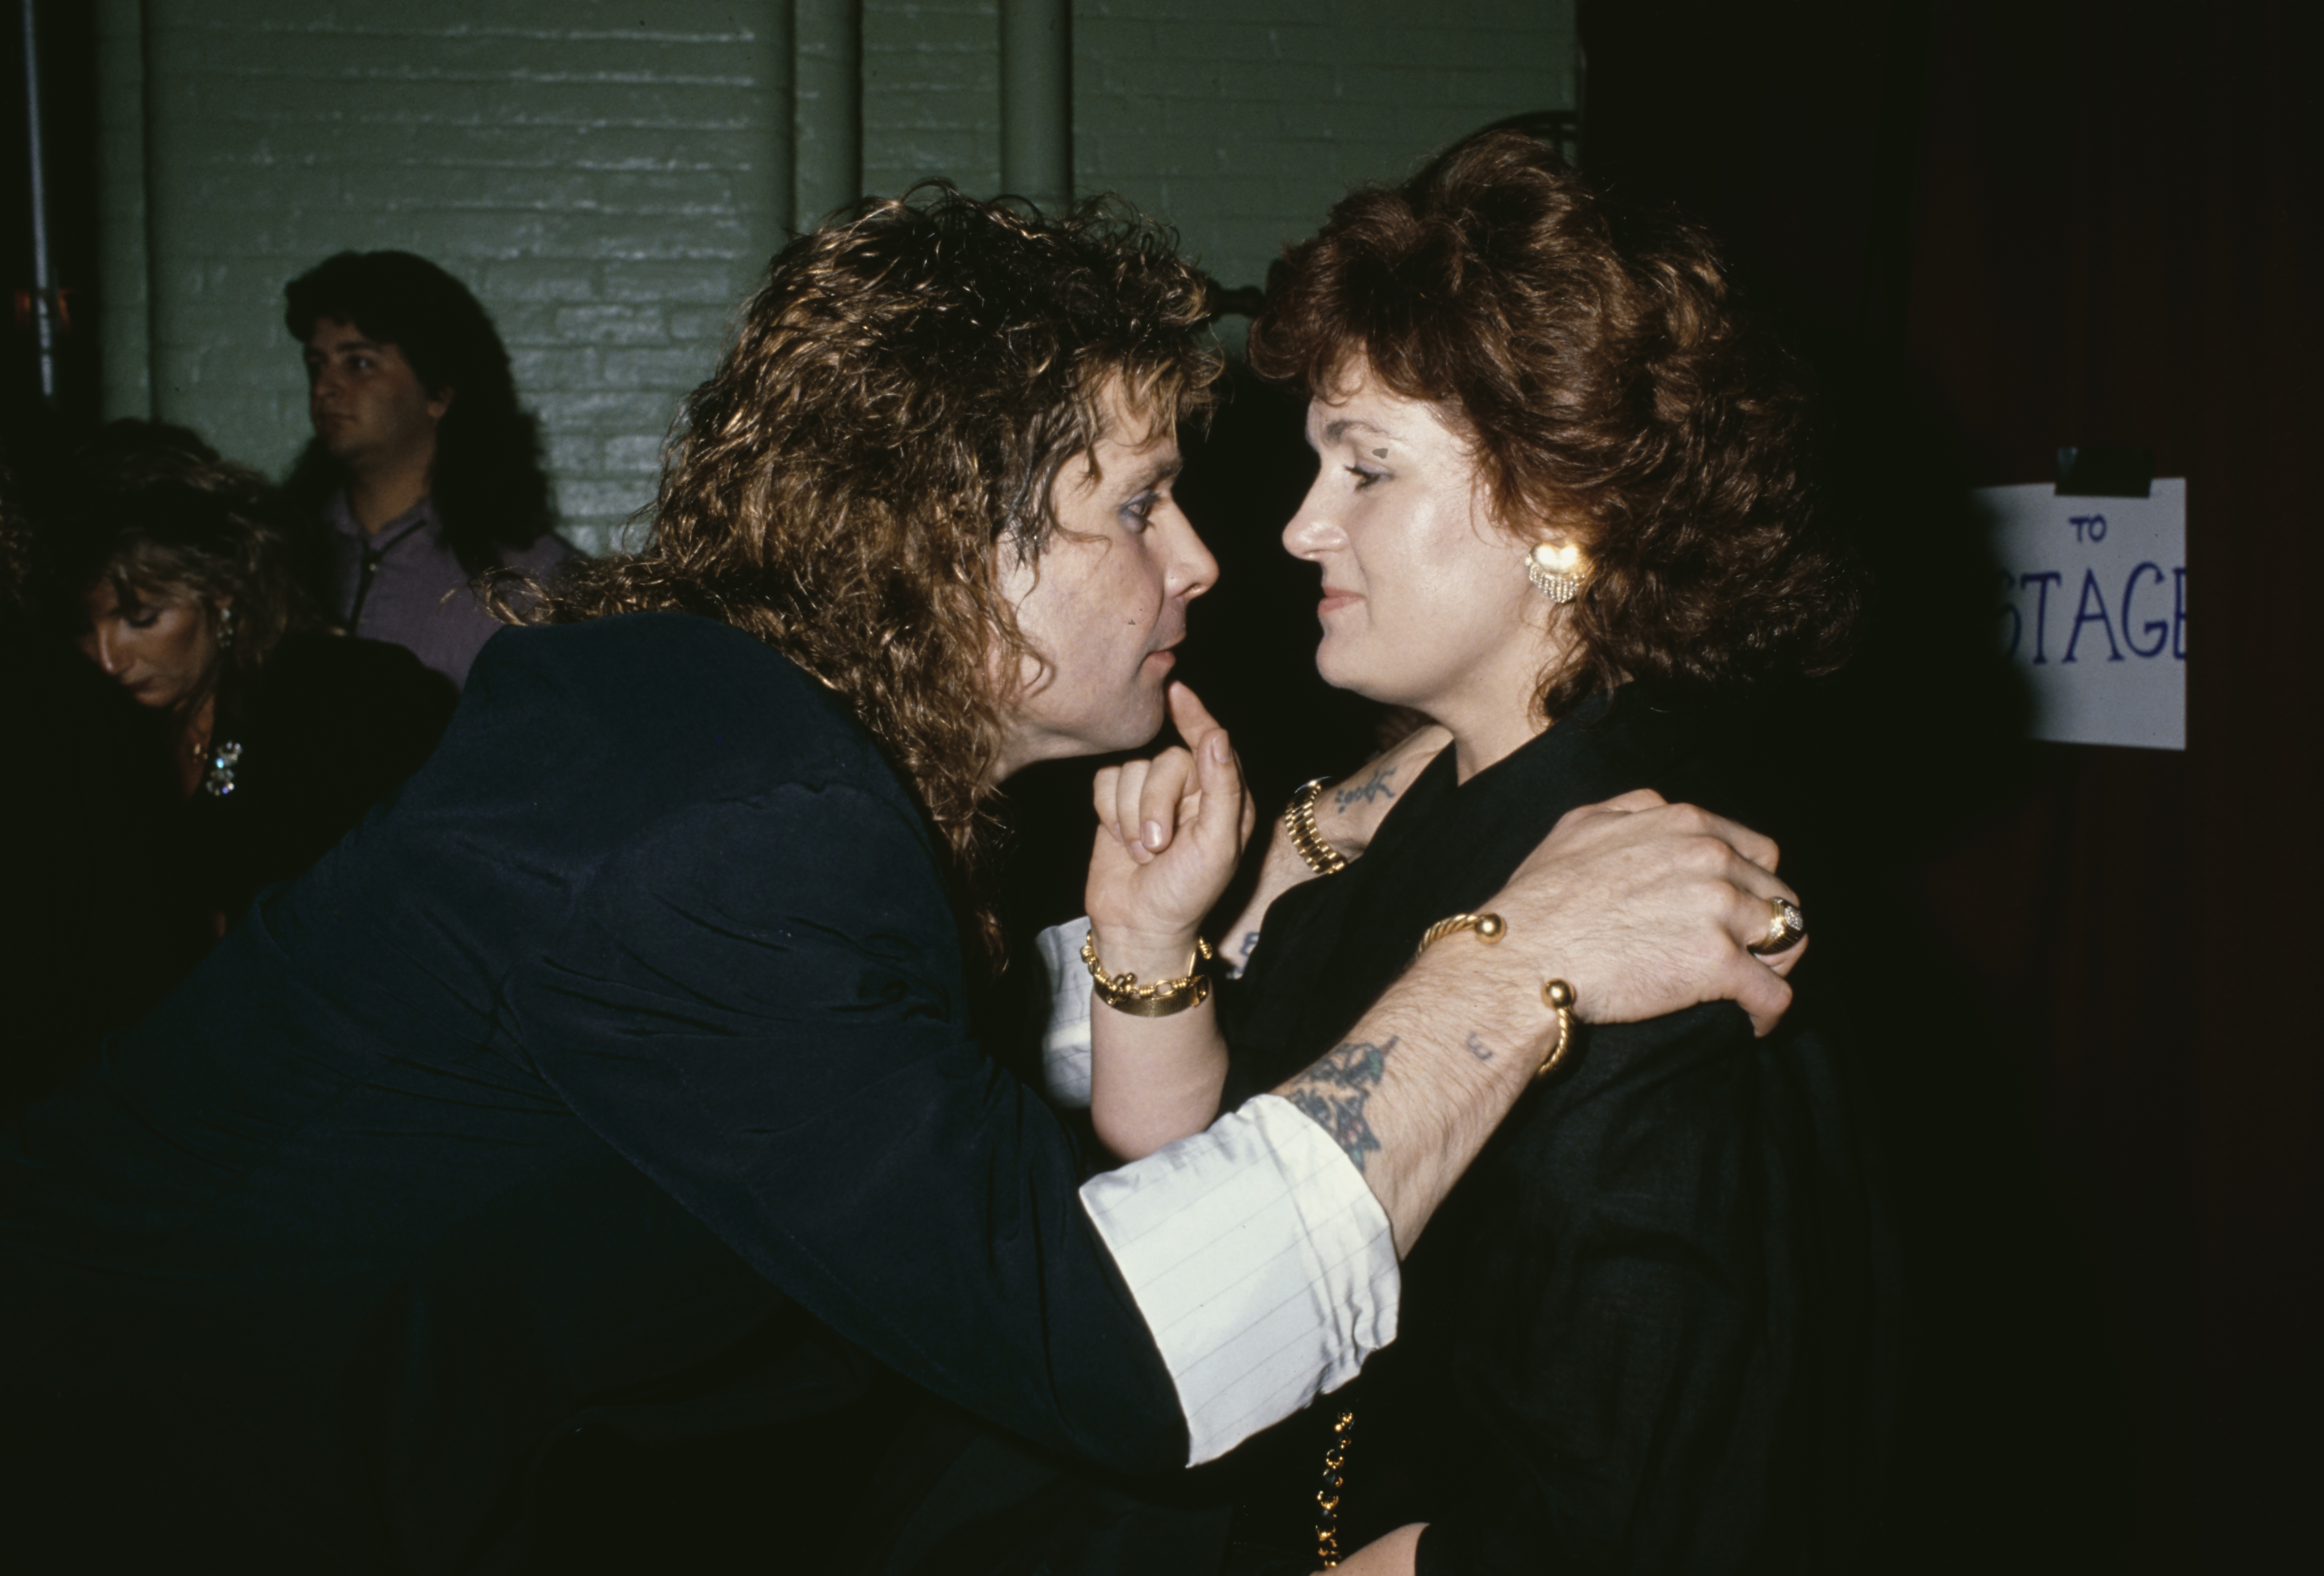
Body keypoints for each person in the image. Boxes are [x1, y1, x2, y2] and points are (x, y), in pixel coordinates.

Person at [1, 189, 1801, 1571]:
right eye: (1132, 506)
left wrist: (1262, 892)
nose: (1206, 558)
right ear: (949, 542)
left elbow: (874, 1071)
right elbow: (1126, 1350)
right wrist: (1505, 968)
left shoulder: (724, 736)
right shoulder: (733, 830)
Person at [922, 132, 1894, 1575]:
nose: (1303, 523)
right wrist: (1147, 945)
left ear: (1565, 514)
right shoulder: (1428, 810)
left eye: (1366, 468)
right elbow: (1229, 1197)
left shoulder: (1654, 914)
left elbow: (1611, 1525)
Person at [50, 424, 458, 940]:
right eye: (86, 629)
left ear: (221, 587)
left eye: (143, 618)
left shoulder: (336, 698)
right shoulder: (95, 726)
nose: (109, 660)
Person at [282, 249, 576, 687]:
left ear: (439, 393)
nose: (325, 387)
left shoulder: (529, 576)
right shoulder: (280, 551)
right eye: (316, 365)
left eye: (359, 363)